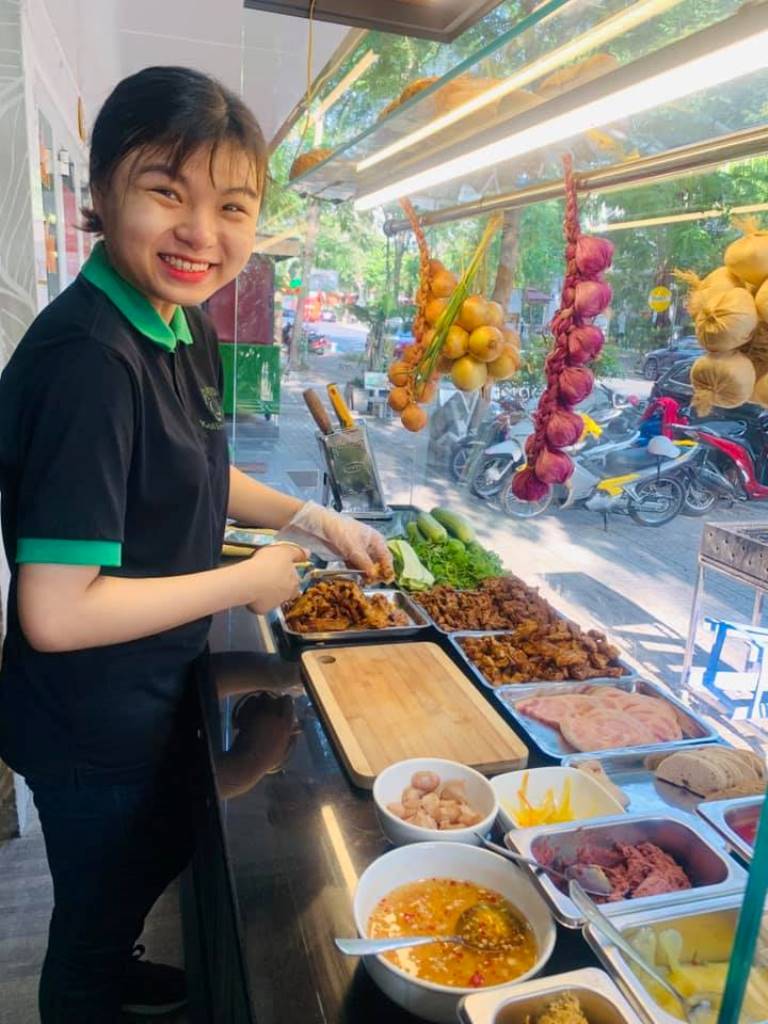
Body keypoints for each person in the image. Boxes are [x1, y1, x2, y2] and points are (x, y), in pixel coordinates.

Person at [0, 66, 391, 1023]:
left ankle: (120, 962)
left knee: (130, 886)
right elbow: (55, 611)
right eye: (165, 191)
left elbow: (200, 475)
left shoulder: (178, 327)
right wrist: (241, 581)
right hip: (89, 718)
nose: (201, 234)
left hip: (144, 692)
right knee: (88, 928)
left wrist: (309, 519)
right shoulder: (89, 363)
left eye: (233, 206)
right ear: (101, 194)